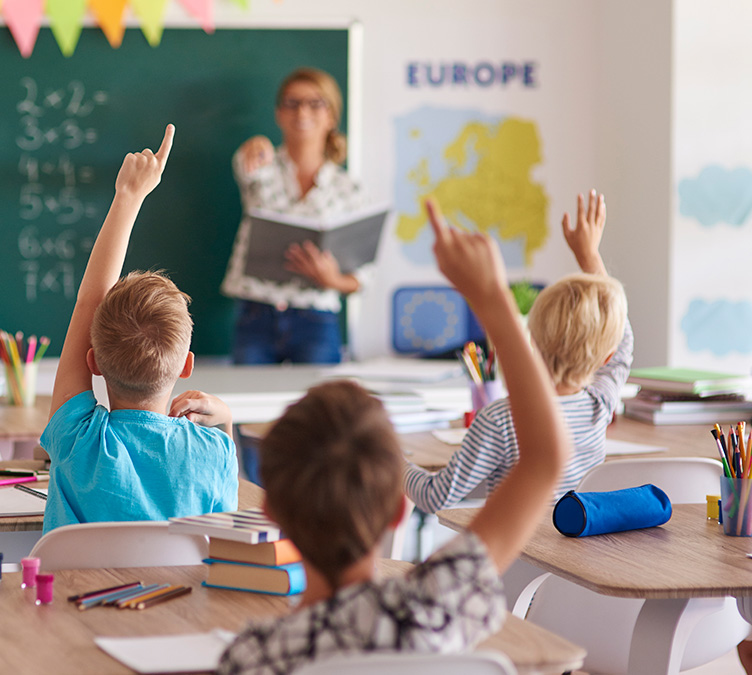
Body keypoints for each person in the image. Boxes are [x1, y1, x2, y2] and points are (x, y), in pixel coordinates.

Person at [217, 200, 572, 673]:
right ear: (399, 507)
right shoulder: (434, 608)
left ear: (271, 513)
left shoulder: (254, 657)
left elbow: (543, 460)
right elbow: (546, 459)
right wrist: (493, 302)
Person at [41, 124, 239, 534]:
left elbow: (87, 304)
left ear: (92, 361)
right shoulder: (213, 452)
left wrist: (127, 197)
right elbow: (224, 538)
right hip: (179, 599)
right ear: (186, 365)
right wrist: (226, 421)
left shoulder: (79, 443)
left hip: (73, 599)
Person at [405, 190, 632, 514]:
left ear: (533, 341)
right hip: (570, 560)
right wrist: (589, 256)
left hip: (513, 559)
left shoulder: (501, 419)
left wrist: (391, 460)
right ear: (606, 357)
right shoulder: (599, 407)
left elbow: (434, 497)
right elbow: (623, 342)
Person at [221, 67, 365, 364]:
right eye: (292, 102)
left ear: (332, 116)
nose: (302, 112)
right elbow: (244, 166)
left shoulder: (348, 190)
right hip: (256, 313)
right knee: (249, 406)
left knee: (321, 409)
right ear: (279, 113)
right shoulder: (262, 166)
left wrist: (332, 279)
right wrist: (255, 146)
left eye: (315, 103)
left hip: (317, 319)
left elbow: (361, 277)